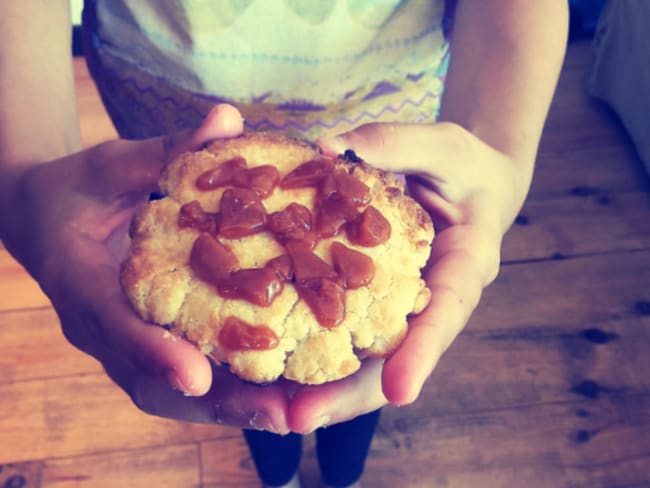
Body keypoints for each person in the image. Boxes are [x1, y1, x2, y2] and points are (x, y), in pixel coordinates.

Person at [0, 1, 568, 486]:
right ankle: (279, 477)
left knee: (364, 374)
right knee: (244, 391)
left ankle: (345, 474)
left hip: (389, 115)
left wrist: (498, 150)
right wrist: (25, 171)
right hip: (159, 87)